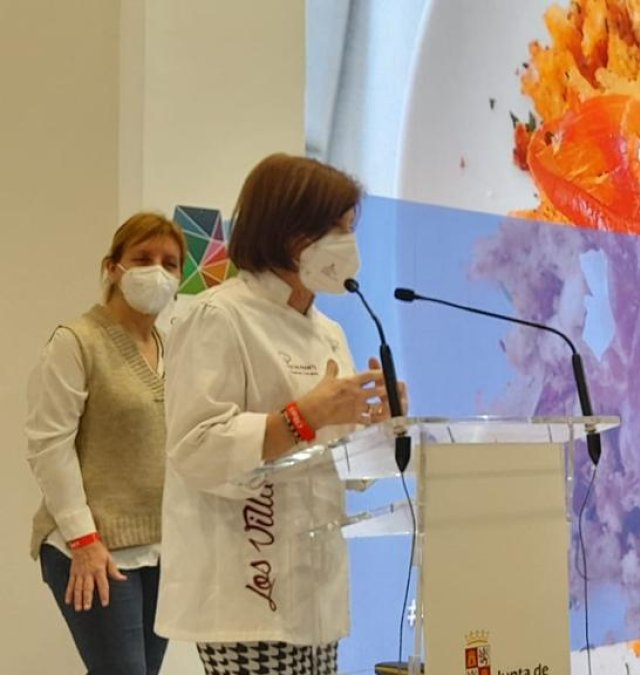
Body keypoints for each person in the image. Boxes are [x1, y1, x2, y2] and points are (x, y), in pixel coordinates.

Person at [157, 153, 404, 675]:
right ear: (290, 232)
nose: (349, 244)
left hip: (316, 590)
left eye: (351, 228)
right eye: (337, 228)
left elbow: (345, 468)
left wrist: (381, 427)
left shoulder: (328, 332)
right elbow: (195, 449)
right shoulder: (217, 316)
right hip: (246, 589)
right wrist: (300, 418)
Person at [26, 212, 184, 674]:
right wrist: (85, 539)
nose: (157, 271)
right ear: (113, 268)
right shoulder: (76, 342)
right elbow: (49, 447)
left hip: (160, 548)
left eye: (169, 263)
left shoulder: (173, 348)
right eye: (143, 258)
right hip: (92, 550)